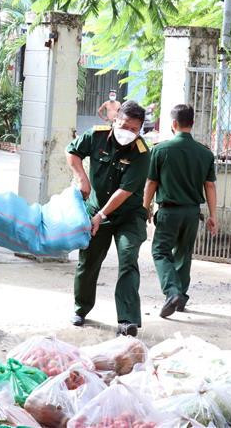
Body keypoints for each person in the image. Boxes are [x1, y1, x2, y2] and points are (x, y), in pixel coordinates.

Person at [66, 100, 150, 337]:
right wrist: (82, 177)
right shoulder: (96, 135)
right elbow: (71, 152)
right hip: (96, 209)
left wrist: (102, 215)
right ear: (115, 119)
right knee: (89, 260)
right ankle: (81, 309)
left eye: (134, 129)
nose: (128, 133)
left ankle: (128, 319)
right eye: (124, 125)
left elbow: (124, 191)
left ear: (140, 129)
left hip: (128, 215)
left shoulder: (142, 152)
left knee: (128, 258)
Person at [143, 104, 218, 318]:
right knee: (184, 253)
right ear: (191, 124)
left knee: (160, 251)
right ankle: (181, 297)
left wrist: (145, 208)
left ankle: (172, 292)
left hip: (169, 212)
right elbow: (210, 185)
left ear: (173, 124)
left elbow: (151, 182)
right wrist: (213, 216)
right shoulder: (204, 153)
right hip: (192, 213)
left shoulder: (160, 150)